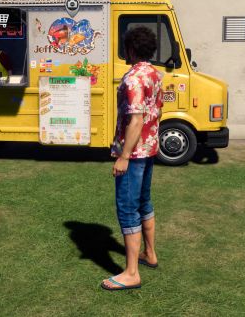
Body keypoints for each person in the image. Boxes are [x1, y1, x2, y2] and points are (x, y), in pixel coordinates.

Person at [101, 26, 164, 291]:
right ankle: (149, 253)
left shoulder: (133, 79)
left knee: (128, 209)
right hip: (149, 149)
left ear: (130, 49)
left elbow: (136, 119)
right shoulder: (155, 74)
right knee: (144, 202)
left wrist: (124, 156)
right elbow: (154, 112)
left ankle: (131, 273)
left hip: (135, 152)